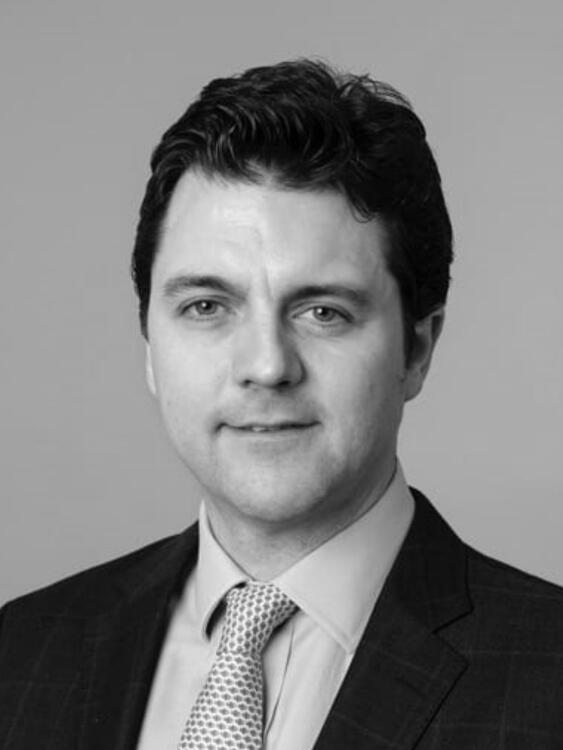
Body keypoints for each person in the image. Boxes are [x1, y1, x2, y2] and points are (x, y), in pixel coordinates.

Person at [1, 58, 562, 750]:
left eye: (323, 312)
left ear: (415, 350)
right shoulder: (22, 649)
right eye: (206, 306)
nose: (266, 366)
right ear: (150, 344)